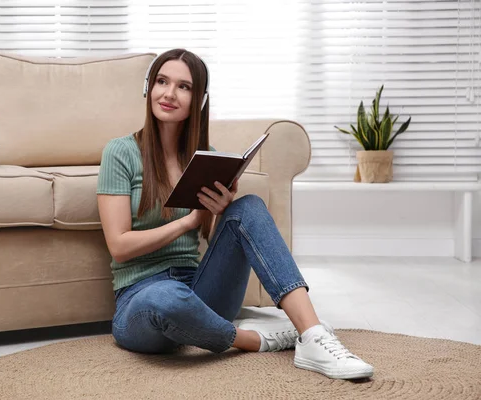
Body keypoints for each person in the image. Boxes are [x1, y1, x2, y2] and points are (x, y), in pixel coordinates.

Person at [96, 48, 374, 380]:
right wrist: (190, 219)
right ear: (148, 88)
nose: (169, 94)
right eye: (161, 81)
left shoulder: (205, 158)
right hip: (140, 300)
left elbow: (212, 241)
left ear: (199, 99)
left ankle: (313, 335)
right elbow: (119, 245)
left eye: (184, 87)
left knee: (249, 207)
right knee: (166, 297)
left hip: (199, 288)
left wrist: (220, 209)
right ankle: (256, 340)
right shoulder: (121, 152)